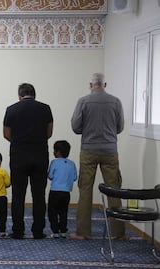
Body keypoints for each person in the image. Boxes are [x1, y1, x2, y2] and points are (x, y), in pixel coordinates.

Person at [70, 73, 125, 240]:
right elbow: (120, 127)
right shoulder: (115, 101)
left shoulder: (83, 101)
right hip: (110, 151)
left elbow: (75, 126)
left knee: (85, 190)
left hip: (88, 150)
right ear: (105, 84)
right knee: (114, 190)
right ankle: (118, 233)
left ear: (90, 85)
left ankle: (83, 232)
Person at [3, 83, 53, 239]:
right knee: (39, 195)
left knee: (18, 195)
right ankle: (38, 231)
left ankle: (18, 230)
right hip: (40, 155)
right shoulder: (45, 108)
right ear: (34, 94)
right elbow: (49, 133)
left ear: (19, 95)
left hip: (19, 156)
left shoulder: (11, 109)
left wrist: (19, 141)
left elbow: (6, 134)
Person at [47, 140, 77, 239]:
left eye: (54, 151)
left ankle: (55, 231)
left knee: (53, 212)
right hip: (66, 192)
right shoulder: (72, 164)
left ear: (58, 151)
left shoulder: (54, 162)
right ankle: (63, 231)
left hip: (55, 191)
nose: (53, 152)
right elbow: (74, 177)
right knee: (64, 212)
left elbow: (50, 176)